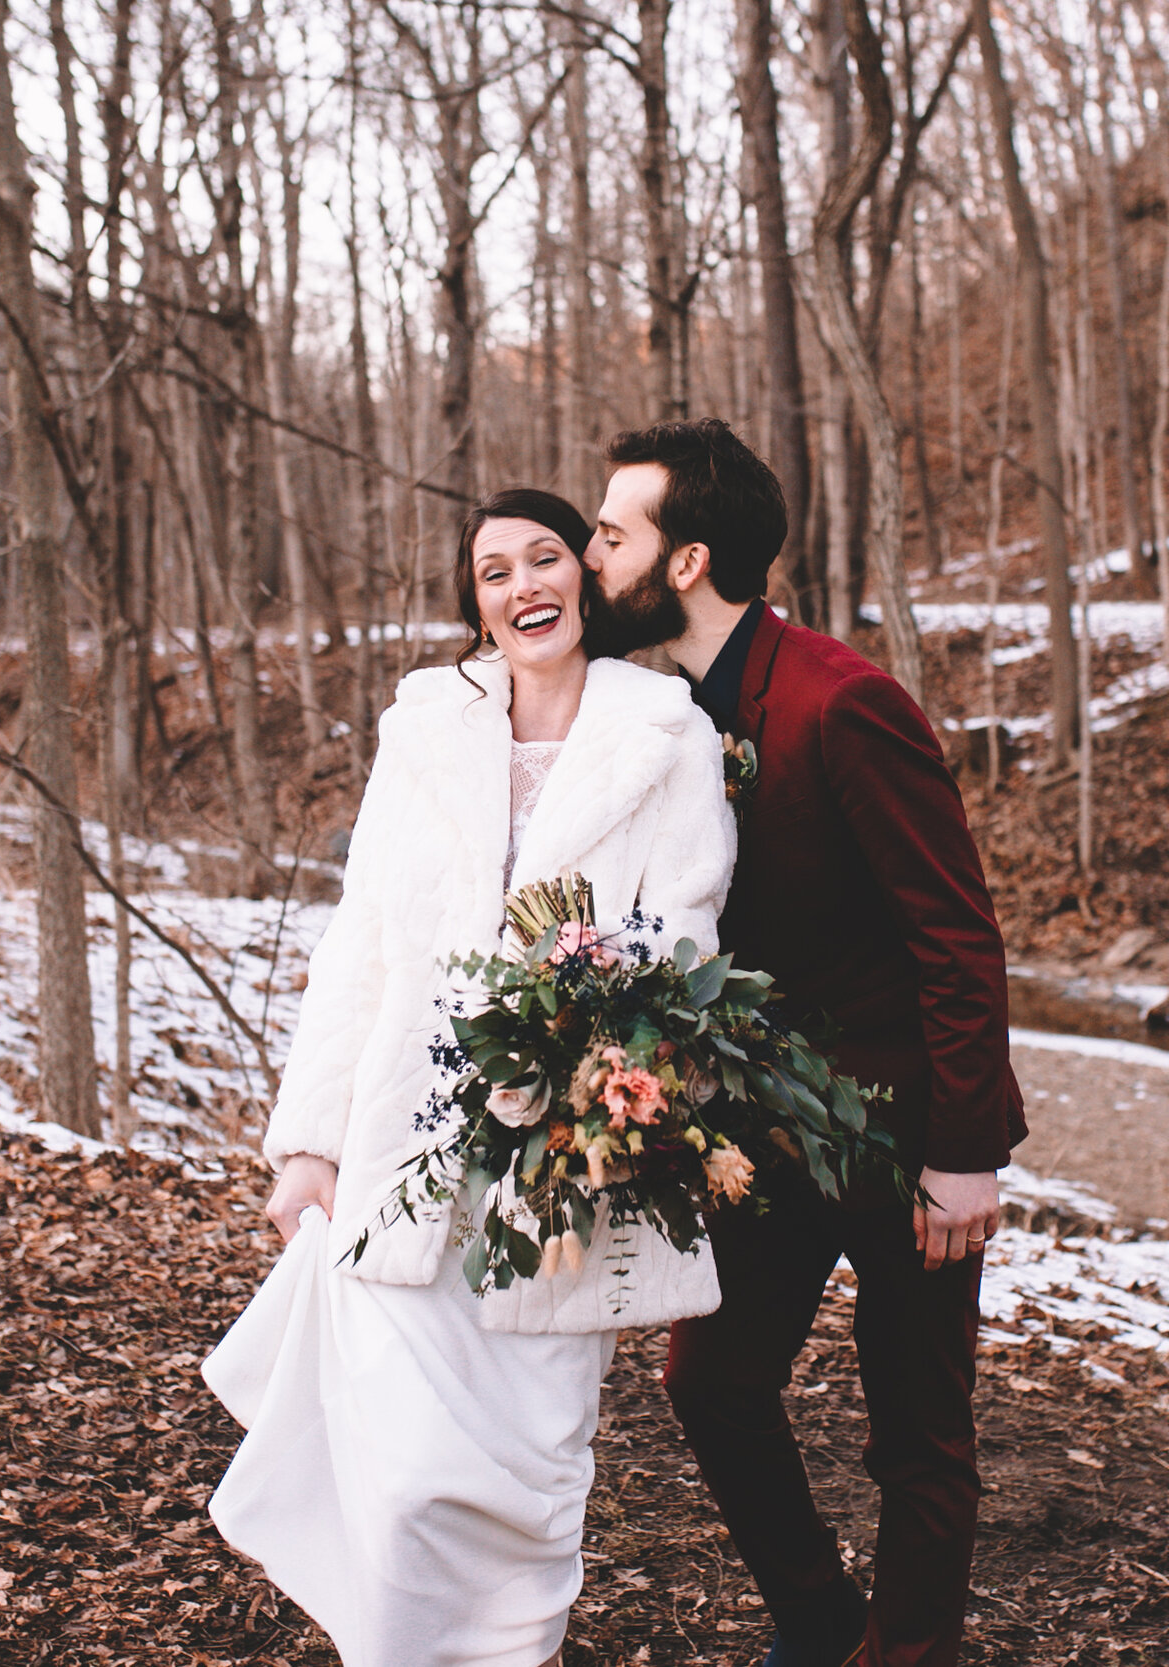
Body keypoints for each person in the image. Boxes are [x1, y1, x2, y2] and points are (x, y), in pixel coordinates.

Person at [201, 487, 736, 1667]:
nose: (523, 586)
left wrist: (599, 1050)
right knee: (395, 1470)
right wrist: (310, 1142)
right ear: (476, 603)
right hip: (405, 1142)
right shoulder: (423, 726)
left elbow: (685, 935)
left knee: (528, 1465)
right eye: (494, 572)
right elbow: (362, 945)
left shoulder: (666, 731)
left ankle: (515, 1651)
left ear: (586, 582)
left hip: (562, 1158)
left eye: (546, 558)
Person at [584, 419, 1026, 1667]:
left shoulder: (844, 702)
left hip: (900, 1131)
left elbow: (956, 936)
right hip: (762, 1130)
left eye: (612, 532)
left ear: (685, 560)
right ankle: (825, 1623)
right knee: (710, 1384)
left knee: (918, 1433)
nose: (590, 550)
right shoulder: (655, 712)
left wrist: (963, 1151)